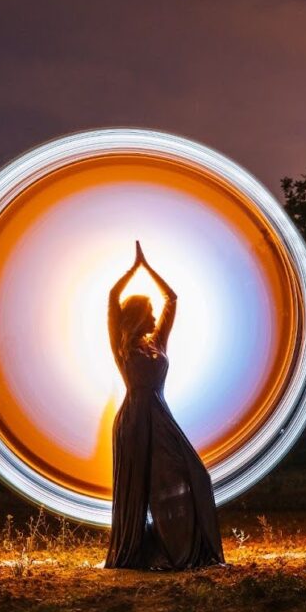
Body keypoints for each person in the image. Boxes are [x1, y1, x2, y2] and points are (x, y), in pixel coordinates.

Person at [103, 241, 225, 570]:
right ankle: (152, 552)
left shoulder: (157, 342)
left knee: (194, 475)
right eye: (150, 312)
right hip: (134, 420)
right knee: (143, 486)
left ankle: (180, 549)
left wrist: (150, 269)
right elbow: (113, 300)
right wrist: (133, 269)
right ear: (138, 316)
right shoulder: (122, 347)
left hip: (160, 415)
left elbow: (171, 298)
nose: (156, 315)